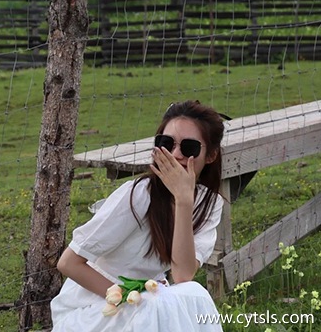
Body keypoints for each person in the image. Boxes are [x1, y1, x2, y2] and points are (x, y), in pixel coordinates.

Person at [50, 100, 226, 331]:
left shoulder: (208, 203)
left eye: (189, 148)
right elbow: (69, 263)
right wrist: (127, 297)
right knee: (156, 306)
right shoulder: (138, 195)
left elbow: (183, 275)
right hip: (94, 306)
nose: (175, 154)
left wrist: (183, 201)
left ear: (211, 155)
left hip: (146, 300)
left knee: (195, 295)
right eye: (167, 143)